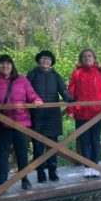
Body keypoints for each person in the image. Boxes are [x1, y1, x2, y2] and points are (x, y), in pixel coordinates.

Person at [0, 54, 44, 190]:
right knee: (3, 153)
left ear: (12, 66)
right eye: (2, 63)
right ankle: (3, 181)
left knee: (22, 151)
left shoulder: (22, 79)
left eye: (8, 63)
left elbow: (31, 94)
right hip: (1, 122)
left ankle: (24, 179)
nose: (5, 66)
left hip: (21, 122)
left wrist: (37, 100)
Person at [25, 50, 72, 183]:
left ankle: (52, 172)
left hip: (52, 115)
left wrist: (69, 98)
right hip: (37, 115)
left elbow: (63, 89)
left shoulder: (56, 76)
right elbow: (26, 91)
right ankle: (40, 172)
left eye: (48, 59)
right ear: (39, 60)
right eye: (43, 58)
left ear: (51, 62)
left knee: (52, 144)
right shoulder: (32, 74)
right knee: (38, 145)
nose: (46, 61)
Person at [68, 49, 101, 178]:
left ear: (94, 57)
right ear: (81, 59)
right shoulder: (77, 72)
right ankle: (87, 167)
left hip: (97, 112)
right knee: (84, 141)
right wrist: (70, 110)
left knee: (95, 140)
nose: (87, 58)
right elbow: (71, 91)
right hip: (81, 112)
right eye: (84, 56)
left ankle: (95, 166)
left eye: (89, 56)